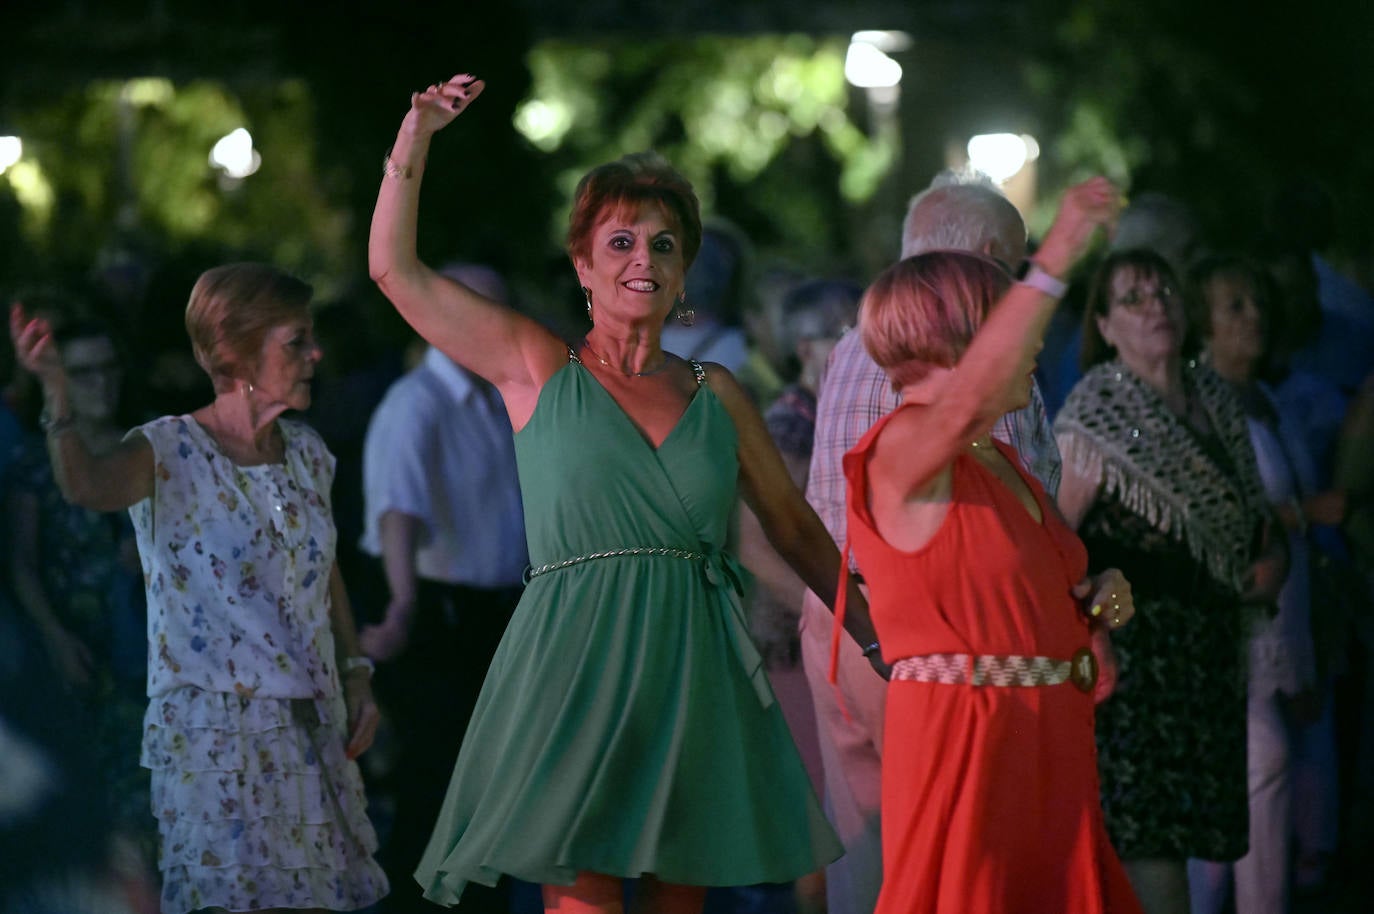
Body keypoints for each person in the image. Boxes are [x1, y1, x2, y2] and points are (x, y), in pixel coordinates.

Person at [369, 73, 865, 914]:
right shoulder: (536, 364)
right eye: (623, 242)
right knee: (585, 901)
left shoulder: (721, 392)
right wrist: (413, 139)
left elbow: (795, 530)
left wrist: (881, 631)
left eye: (664, 245)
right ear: (582, 265)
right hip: (577, 660)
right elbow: (393, 270)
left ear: (685, 277)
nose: (644, 261)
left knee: (681, 900)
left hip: (694, 663)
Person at [8, 263, 389, 914]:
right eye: (295, 341)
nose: (315, 355)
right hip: (218, 734)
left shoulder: (308, 452)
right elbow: (86, 486)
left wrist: (355, 672)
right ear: (232, 351)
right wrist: (57, 394)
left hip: (310, 723)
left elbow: (325, 570)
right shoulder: (169, 448)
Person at [836, 178, 1140, 913]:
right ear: (960, 343)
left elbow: (1031, 588)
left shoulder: (996, 459)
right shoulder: (902, 448)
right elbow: (965, 397)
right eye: (1009, 323)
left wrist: (1102, 602)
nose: (1034, 341)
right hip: (968, 743)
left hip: (1045, 743)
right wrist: (1060, 250)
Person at [799, 170, 1063, 914]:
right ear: (981, 259)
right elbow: (1016, 519)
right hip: (934, 641)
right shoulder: (972, 375)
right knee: (960, 860)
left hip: (839, 623)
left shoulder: (854, 346)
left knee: (865, 860)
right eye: (1013, 265)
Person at [1053, 249, 1284, 914]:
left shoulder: (1213, 397)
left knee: (1188, 842)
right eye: (1133, 297)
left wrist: (1273, 565)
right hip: (1136, 663)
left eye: (1163, 291)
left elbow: (1253, 519)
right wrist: (1094, 618)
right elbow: (1056, 542)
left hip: (1209, 655)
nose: (1155, 305)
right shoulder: (1095, 410)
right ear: (1105, 322)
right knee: (1148, 849)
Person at [358, 263, 528, 914]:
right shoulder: (417, 402)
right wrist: (403, 605)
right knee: (441, 788)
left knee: (487, 789)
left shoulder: (486, 396)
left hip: (487, 612)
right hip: (441, 616)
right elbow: (397, 511)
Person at [1184, 254, 1337, 914]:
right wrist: (1307, 514)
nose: (1255, 318)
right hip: (1239, 614)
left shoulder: (1264, 397)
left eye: (1257, 303)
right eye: (1235, 307)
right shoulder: (1198, 406)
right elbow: (1202, 508)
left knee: (1277, 772)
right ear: (1203, 325)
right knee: (1255, 768)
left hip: (1287, 611)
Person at [3, 312, 152, 863]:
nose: (101, 384)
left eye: (109, 369)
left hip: (158, 651)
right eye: (84, 372)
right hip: (83, 648)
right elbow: (21, 563)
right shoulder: (35, 463)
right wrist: (56, 637)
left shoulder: (149, 443)